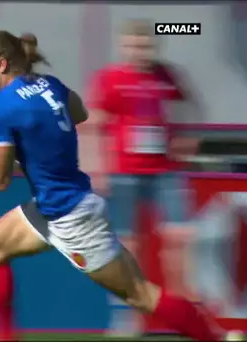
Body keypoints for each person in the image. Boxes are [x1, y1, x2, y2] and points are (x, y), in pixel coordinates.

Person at [0, 30, 236, 342]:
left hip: (71, 218)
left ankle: (215, 338)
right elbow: (80, 114)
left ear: (1, 64)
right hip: (55, 204)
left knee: (141, 295)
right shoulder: (49, 84)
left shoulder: (1, 109)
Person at [85, 20, 201, 335]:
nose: (140, 52)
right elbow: (92, 122)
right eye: (134, 46)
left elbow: (191, 105)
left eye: (145, 46)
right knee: (129, 245)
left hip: (165, 171)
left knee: (180, 240)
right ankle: (130, 314)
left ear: (154, 47)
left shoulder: (167, 76)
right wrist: (96, 168)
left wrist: (188, 136)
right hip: (124, 172)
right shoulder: (110, 78)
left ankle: (179, 314)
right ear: (124, 47)